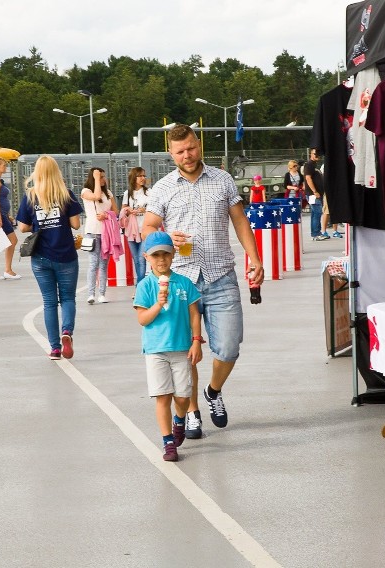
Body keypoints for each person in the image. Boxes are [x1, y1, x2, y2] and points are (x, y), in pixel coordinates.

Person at [142, 123, 264, 439]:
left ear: (199, 145)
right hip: (181, 281)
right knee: (186, 351)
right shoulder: (162, 188)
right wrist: (166, 235)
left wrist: (254, 258)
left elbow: (240, 220)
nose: (188, 155)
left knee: (228, 346)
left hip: (220, 275)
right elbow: (147, 230)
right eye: (180, 151)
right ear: (171, 153)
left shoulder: (222, 180)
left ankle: (213, 391)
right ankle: (193, 411)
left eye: (192, 148)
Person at [134, 232, 203, 461]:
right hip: (156, 349)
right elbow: (143, 319)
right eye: (155, 256)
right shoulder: (145, 286)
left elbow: (194, 314)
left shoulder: (184, 283)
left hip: (181, 347)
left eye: (165, 254)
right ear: (147, 257)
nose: (161, 260)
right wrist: (158, 303)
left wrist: (196, 341)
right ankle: (168, 442)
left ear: (173, 255)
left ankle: (179, 420)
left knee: (183, 397)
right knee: (163, 396)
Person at [16, 156, 85, 360]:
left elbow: (22, 227)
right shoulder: (67, 195)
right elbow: (75, 225)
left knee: (49, 302)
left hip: (40, 257)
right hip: (65, 255)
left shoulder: (31, 196)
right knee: (68, 298)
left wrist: (38, 222)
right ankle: (67, 332)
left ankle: (55, 348)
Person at [80, 167, 118, 303]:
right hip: (92, 231)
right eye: (100, 177)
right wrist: (96, 179)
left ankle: (102, 293)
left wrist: (106, 215)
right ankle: (91, 294)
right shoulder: (86, 191)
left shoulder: (108, 192)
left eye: (103, 176)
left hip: (106, 232)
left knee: (103, 264)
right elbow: (95, 196)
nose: (103, 179)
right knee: (93, 263)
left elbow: (115, 210)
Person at [121, 167, 149, 282]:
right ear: (134, 177)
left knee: (142, 259)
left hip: (144, 229)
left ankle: (139, 287)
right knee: (136, 259)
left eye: (144, 176)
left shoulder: (149, 192)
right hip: (131, 230)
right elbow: (123, 210)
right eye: (140, 176)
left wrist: (145, 210)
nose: (143, 178)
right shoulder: (128, 193)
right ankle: (140, 285)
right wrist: (128, 210)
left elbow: (154, 209)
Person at [305, 149, 328, 240]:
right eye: (315, 154)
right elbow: (308, 178)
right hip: (313, 194)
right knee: (317, 213)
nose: (317, 156)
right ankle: (316, 234)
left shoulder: (314, 165)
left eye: (318, 154)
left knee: (315, 213)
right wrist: (314, 191)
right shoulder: (309, 165)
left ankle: (315, 233)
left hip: (316, 193)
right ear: (311, 154)